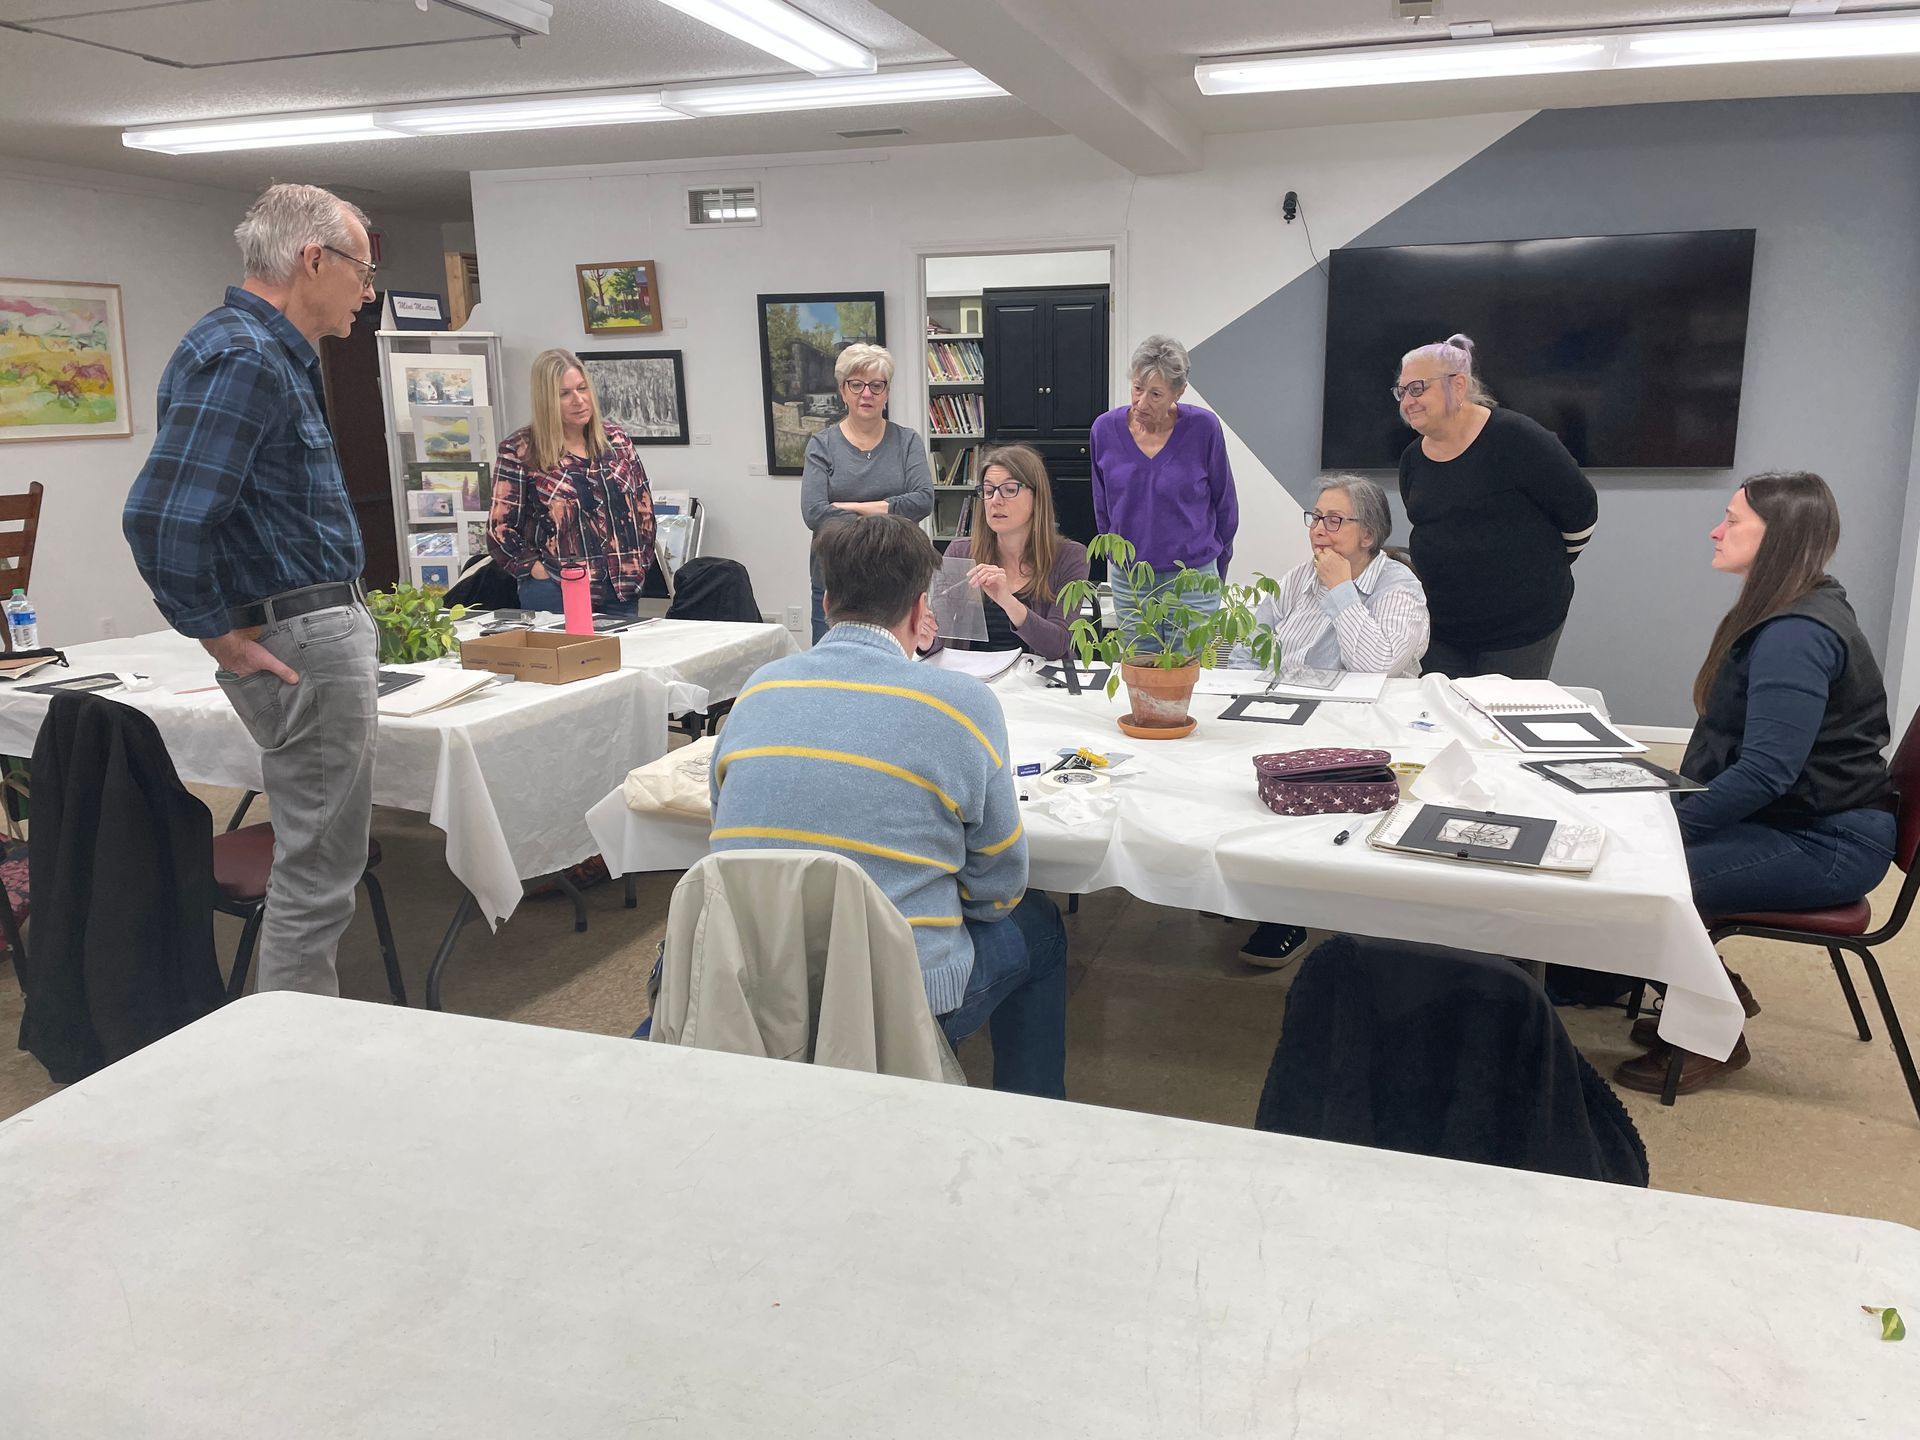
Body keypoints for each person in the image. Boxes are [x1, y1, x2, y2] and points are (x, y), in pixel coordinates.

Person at [710, 513, 1068, 1097]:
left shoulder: (760, 688)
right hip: (900, 997)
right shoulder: (963, 704)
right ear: (918, 609)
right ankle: (1029, 1121)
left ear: (827, 603)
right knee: (1042, 929)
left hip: (756, 978)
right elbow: (1001, 886)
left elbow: (723, 826)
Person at [122, 183, 378, 995]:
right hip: (298, 634)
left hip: (306, 624)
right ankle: (295, 1060)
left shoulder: (258, 352)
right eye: (361, 271)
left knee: (318, 861)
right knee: (319, 869)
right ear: (313, 260)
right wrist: (216, 634)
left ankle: (292, 1041)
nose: (366, 293)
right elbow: (161, 517)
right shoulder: (246, 357)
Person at [1614, 473, 1897, 1096]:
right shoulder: (1795, 605)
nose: (1717, 530)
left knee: (1633, 878)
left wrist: (1665, 824)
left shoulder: (1796, 634)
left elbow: (1768, 772)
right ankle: (1704, 997)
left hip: (1830, 843)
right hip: (1802, 820)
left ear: (1780, 538)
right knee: (1626, 853)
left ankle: (1718, 1028)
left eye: (1733, 520)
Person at [1228, 474, 1430, 967]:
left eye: (1334, 520)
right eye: (1316, 517)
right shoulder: (1298, 577)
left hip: (1365, 727)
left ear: (1368, 534)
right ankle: (1248, 883)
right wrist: (1235, 694)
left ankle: (1287, 911)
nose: (1320, 529)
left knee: (1303, 792)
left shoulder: (1399, 587)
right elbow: (1251, 646)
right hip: (1292, 714)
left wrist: (1342, 590)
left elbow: (1376, 663)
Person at [1396, 334, 1597, 679]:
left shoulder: (1517, 438)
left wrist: (1534, 567)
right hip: (1443, 626)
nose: (1407, 401)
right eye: (1401, 392)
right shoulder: (1413, 459)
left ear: (1458, 386)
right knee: (1441, 717)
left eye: (1417, 388)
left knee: (1499, 723)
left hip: (1521, 629)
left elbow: (1580, 512)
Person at [1090, 335, 1238, 652]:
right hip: (1131, 581)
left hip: (1193, 580)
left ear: (1178, 392)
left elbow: (1225, 506)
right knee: (1143, 677)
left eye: (1156, 394)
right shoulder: (1103, 430)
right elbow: (1103, 509)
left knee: (1186, 675)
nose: (1142, 403)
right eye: (1137, 388)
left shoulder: (1204, 429)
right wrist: (1118, 563)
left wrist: (1217, 571)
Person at [489, 348, 655, 616]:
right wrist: (535, 569)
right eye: (564, 394)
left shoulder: (617, 440)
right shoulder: (521, 450)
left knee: (622, 659)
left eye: (582, 388)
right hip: (557, 591)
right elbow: (500, 528)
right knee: (568, 659)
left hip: (621, 588)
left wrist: (640, 562)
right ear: (546, 401)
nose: (578, 400)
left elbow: (643, 507)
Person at [799, 343, 932, 643]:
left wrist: (863, 507)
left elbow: (924, 500)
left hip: (897, 577)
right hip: (835, 580)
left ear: (886, 392)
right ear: (843, 390)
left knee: (893, 672)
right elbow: (814, 512)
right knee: (832, 673)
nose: (866, 393)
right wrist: (892, 510)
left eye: (876, 385)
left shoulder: (907, 441)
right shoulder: (822, 445)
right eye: (856, 385)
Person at [930, 444, 1090, 661]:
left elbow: (1058, 645)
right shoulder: (960, 551)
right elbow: (938, 641)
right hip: (976, 683)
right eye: (988, 491)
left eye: (1009, 489)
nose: (996, 500)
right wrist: (923, 638)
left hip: (1040, 686)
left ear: (1036, 496)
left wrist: (1006, 600)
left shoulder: (1071, 556)